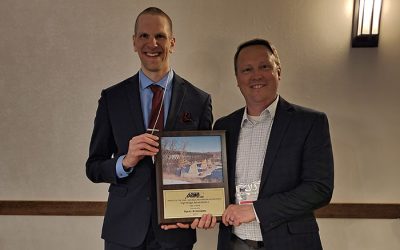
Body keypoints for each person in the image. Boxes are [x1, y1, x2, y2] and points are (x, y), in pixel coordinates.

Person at [86, 7, 214, 250]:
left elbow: (205, 173)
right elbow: (93, 167)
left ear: (172, 42)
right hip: (123, 231)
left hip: (176, 231)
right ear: (134, 42)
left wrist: (204, 209)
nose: (152, 43)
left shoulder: (199, 100)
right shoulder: (112, 98)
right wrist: (125, 162)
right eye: (144, 36)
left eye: (160, 36)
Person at [214, 38, 334, 250]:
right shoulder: (224, 127)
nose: (256, 75)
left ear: (278, 71)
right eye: (247, 69)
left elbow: (319, 189)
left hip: (291, 244)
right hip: (234, 243)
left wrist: (255, 210)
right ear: (237, 79)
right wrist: (199, 211)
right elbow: (214, 188)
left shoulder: (309, 123)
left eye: (264, 66)